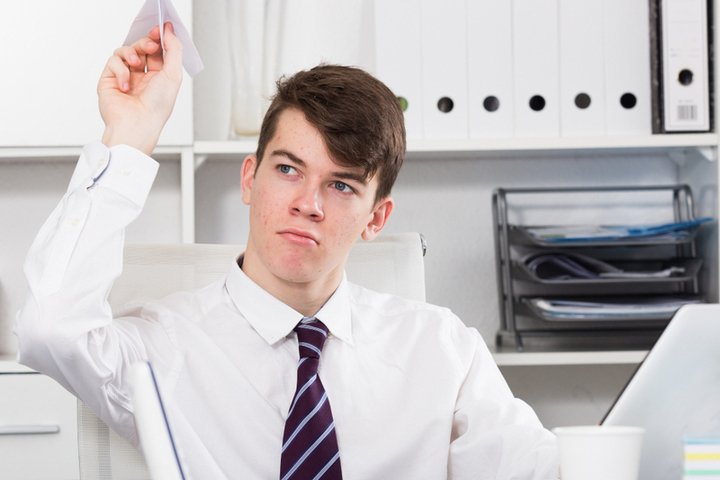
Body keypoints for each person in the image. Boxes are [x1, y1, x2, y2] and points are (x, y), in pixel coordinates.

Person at [15, 23, 559, 479]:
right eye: (288, 169)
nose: (308, 204)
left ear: (376, 218)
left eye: (341, 185)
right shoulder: (162, 350)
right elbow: (49, 330)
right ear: (249, 179)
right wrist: (129, 137)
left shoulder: (442, 351)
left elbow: (535, 469)